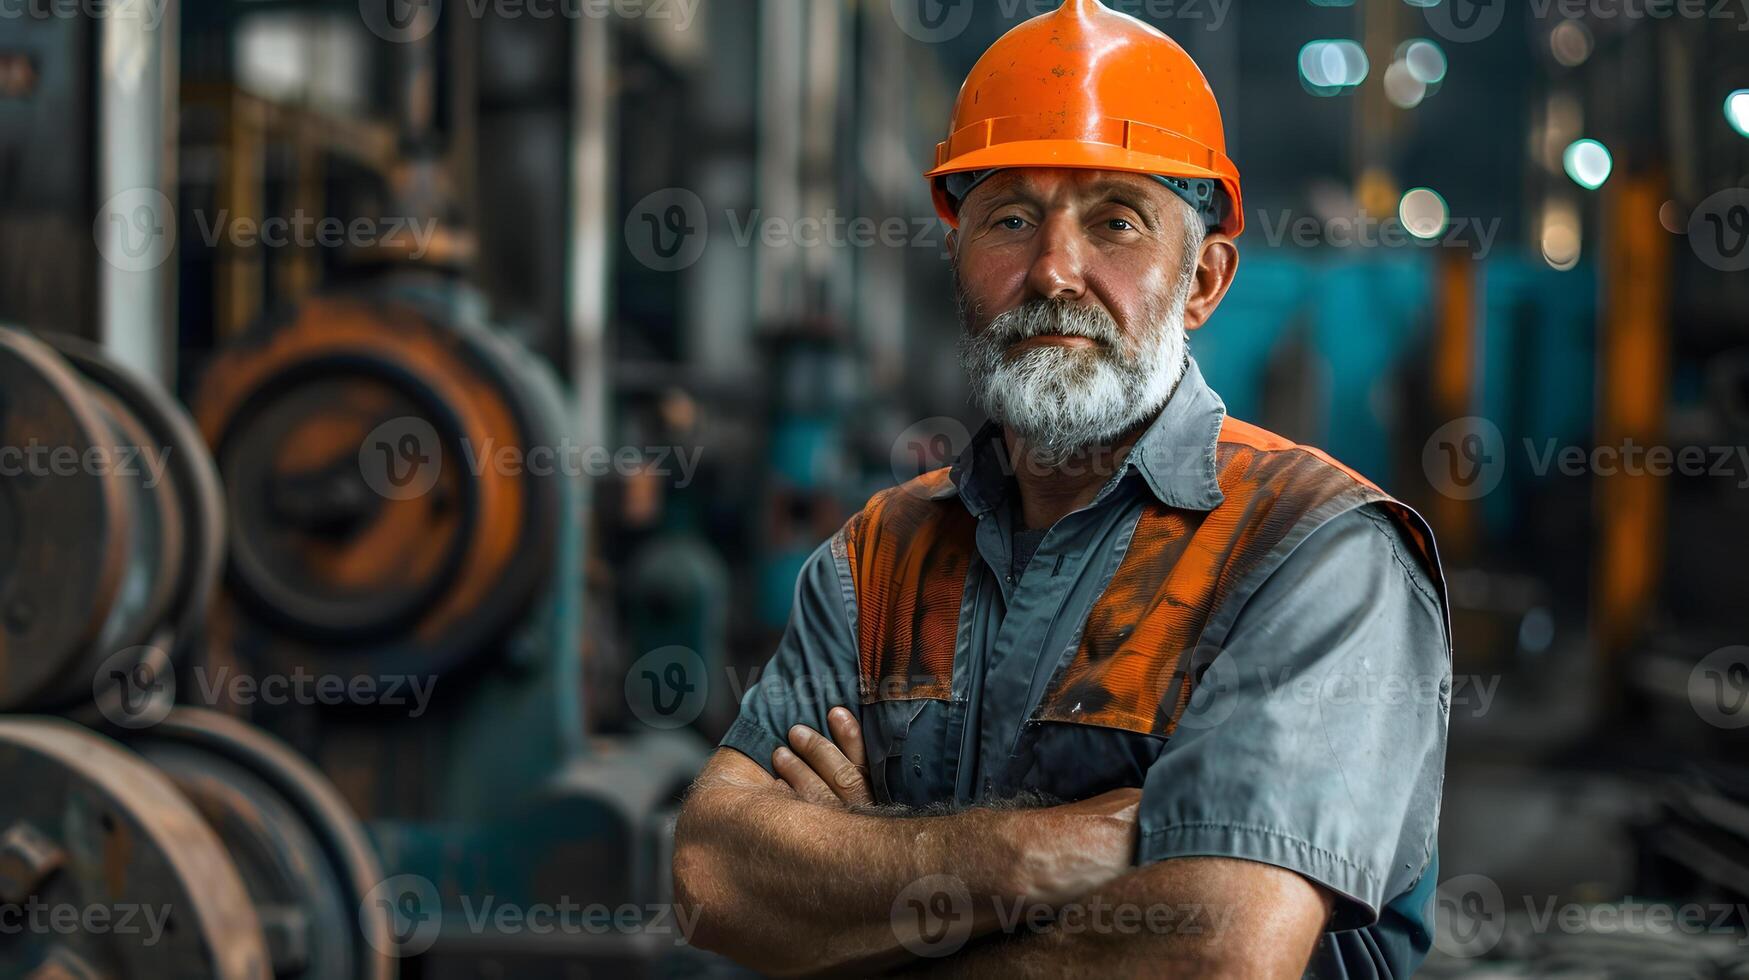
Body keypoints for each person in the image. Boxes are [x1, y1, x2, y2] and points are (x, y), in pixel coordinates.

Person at [673, 1, 1451, 975]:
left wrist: (864, 895)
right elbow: (714, 874)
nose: (1052, 271)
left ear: (1204, 280)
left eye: (1116, 220)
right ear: (959, 265)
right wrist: (1076, 846)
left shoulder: (1314, 552)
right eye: (1010, 218)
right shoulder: (880, 555)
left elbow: (1215, 948)